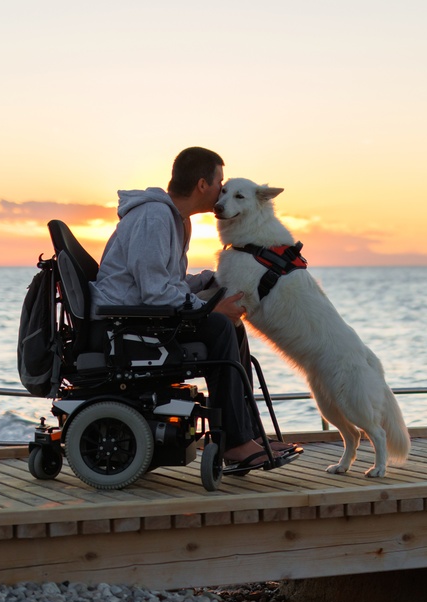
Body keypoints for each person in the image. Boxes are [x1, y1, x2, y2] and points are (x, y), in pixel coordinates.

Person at [90, 147, 297, 471]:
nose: (222, 192)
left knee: (232, 326)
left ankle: (251, 434)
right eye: (220, 184)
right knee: (220, 327)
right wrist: (210, 311)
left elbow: (164, 282)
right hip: (126, 322)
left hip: (143, 313)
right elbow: (154, 292)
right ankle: (236, 443)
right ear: (203, 184)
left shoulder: (173, 219)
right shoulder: (154, 217)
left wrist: (209, 281)